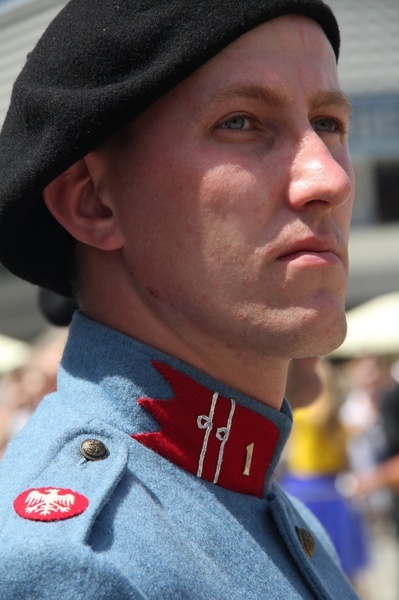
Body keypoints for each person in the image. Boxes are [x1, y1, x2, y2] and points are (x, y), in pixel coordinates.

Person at [0, 0, 357, 598]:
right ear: (93, 201)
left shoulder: (265, 506)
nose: (331, 178)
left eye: (327, 123)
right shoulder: (78, 565)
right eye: (241, 122)